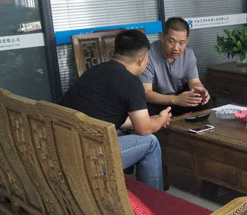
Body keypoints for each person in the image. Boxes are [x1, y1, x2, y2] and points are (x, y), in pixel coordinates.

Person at [61, 29, 172, 190]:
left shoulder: (94, 71)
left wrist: (151, 119)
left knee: (121, 131)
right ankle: (154, 199)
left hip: (64, 143)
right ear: (142, 59)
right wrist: (161, 119)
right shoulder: (131, 82)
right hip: (88, 156)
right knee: (150, 143)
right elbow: (144, 129)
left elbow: (105, 114)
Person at [141, 17, 210, 116]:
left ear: (187, 40)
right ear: (162, 37)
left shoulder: (189, 53)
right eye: (171, 41)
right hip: (157, 101)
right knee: (144, 109)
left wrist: (200, 91)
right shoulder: (148, 55)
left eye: (182, 43)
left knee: (201, 103)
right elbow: (146, 93)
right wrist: (175, 100)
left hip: (180, 98)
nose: (176, 48)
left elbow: (194, 82)